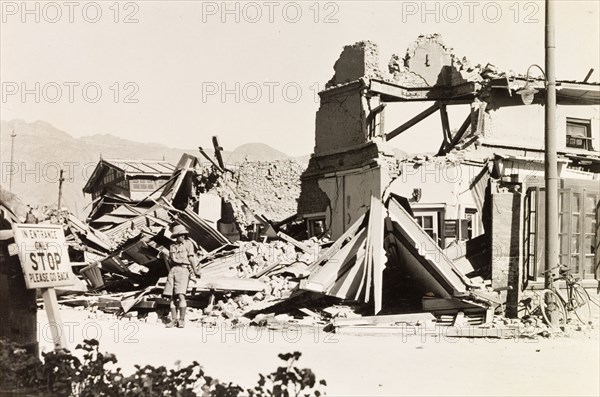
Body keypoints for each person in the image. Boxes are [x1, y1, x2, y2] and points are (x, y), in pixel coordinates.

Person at [163, 224, 200, 328]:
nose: (183, 236)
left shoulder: (188, 244)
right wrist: (174, 260)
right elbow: (172, 260)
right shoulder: (172, 246)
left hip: (184, 270)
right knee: (172, 296)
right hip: (173, 270)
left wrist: (195, 271)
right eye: (181, 235)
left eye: (184, 235)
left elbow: (191, 259)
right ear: (176, 236)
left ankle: (182, 320)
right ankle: (174, 320)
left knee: (180, 295)